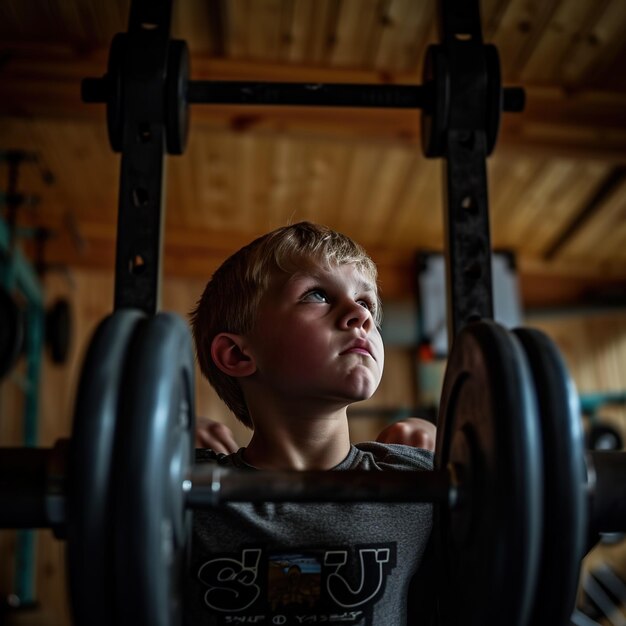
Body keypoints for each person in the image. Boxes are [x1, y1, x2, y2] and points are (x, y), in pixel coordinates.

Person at [186, 222, 434, 625]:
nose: (360, 315)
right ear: (236, 354)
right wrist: (161, 441)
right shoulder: (187, 487)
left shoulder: (418, 480)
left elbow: (550, 536)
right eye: (317, 295)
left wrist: (454, 449)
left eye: (367, 303)